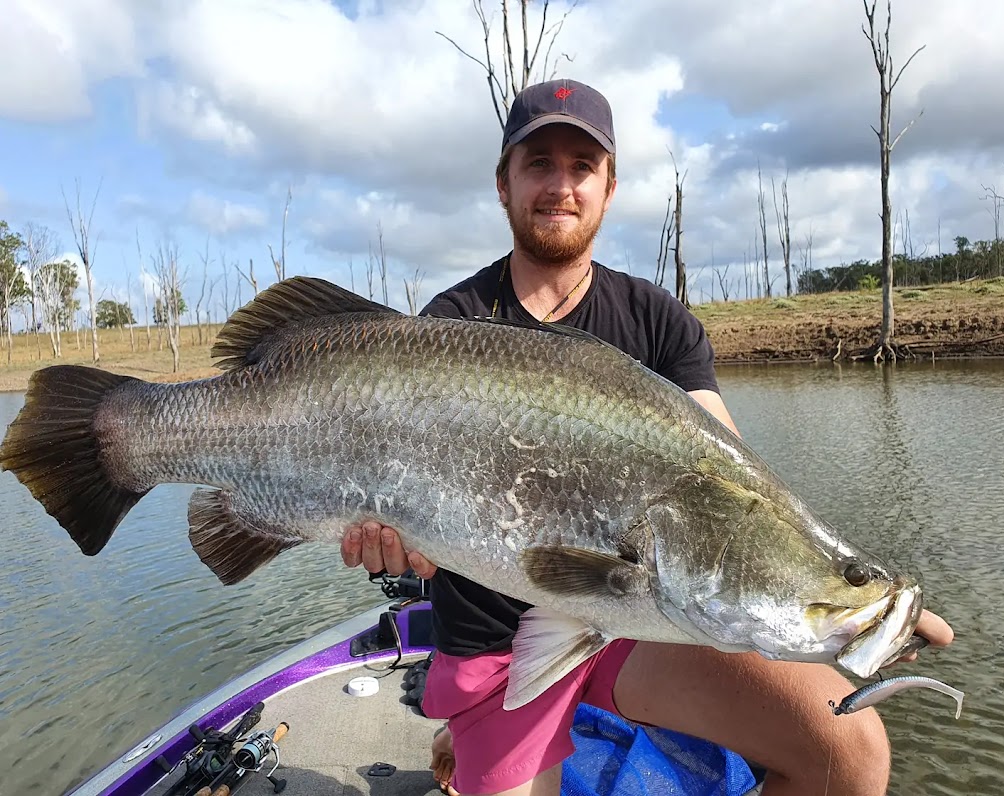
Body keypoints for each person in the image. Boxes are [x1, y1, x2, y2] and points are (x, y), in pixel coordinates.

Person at [341, 78, 954, 796]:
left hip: (641, 631)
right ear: (503, 183)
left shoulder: (656, 319)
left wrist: (843, 590)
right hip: (498, 649)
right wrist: (389, 538)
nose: (560, 185)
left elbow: (730, 478)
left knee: (849, 752)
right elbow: (413, 514)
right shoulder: (454, 321)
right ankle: (470, 728)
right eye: (538, 163)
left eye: (582, 166)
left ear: (608, 185)